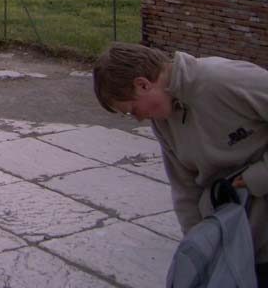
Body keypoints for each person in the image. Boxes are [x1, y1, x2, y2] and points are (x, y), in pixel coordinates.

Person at [94, 42, 268, 281]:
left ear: (143, 84)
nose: (138, 119)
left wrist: (258, 176)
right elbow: (184, 188)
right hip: (239, 241)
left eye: (131, 110)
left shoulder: (225, 79)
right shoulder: (163, 122)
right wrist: (198, 247)